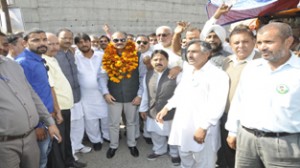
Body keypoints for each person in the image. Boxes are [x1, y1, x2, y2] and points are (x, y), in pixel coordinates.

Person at [226, 22, 300, 168]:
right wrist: (233, 131)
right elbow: (239, 101)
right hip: (246, 140)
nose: (262, 47)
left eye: (269, 42)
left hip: (285, 144)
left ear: (288, 42)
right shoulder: (252, 67)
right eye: (259, 42)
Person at [156, 40, 229, 168]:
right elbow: (180, 93)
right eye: (188, 51)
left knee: (205, 163)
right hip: (183, 125)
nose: (189, 55)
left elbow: (217, 104)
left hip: (202, 128)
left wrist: (204, 127)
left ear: (207, 54)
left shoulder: (218, 75)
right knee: (185, 158)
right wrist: (167, 107)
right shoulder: (189, 70)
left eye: (194, 52)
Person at [218, 24, 260, 168]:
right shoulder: (226, 61)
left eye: (245, 41)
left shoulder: (263, 62)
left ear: (254, 41)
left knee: (249, 158)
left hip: (251, 120)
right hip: (226, 116)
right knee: (228, 152)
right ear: (230, 44)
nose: (240, 46)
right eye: (236, 42)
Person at [99, 31, 147, 159]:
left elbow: (142, 76)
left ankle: (132, 144)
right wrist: (105, 93)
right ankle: (113, 146)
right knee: (113, 123)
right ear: (111, 42)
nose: (119, 42)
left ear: (127, 41)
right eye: (116, 40)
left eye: (122, 40)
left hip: (132, 96)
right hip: (113, 97)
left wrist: (140, 95)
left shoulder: (137, 55)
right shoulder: (107, 56)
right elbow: (102, 76)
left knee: (131, 122)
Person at [15, 29, 58, 168]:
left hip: (46, 118)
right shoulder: (23, 63)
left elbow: (42, 90)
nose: (42, 43)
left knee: (45, 156)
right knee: (39, 161)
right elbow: (24, 98)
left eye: (44, 39)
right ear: (24, 43)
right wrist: (37, 126)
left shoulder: (38, 59)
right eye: (36, 40)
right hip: (37, 123)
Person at [139, 49, 181, 166]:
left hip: (171, 111)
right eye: (155, 59)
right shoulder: (148, 75)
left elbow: (180, 94)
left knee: (172, 133)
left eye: (161, 59)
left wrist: (179, 68)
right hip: (153, 110)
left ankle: (174, 153)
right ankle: (159, 150)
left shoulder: (176, 74)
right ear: (151, 62)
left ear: (167, 61)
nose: (158, 62)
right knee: (156, 133)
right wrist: (143, 109)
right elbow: (145, 93)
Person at [55, 28, 88, 167]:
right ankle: (71, 152)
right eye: (64, 38)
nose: (68, 40)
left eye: (70, 38)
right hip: (64, 100)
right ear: (58, 38)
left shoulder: (71, 52)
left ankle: (78, 145)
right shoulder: (53, 55)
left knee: (79, 124)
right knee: (69, 127)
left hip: (77, 95)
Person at [42, 32, 74, 168]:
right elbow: (51, 88)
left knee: (65, 138)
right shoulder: (43, 61)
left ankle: (69, 162)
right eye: (51, 44)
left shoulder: (52, 58)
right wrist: (57, 110)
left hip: (65, 106)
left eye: (56, 43)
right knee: (58, 142)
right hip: (58, 109)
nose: (55, 47)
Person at [74, 33, 109, 151]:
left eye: (86, 41)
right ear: (77, 45)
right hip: (86, 95)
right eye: (80, 42)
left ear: (90, 42)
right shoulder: (76, 57)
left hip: (103, 92)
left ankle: (107, 136)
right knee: (90, 120)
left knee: (106, 117)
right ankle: (96, 140)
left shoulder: (101, 55)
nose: (83, 44)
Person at [200, 4, 232, 68]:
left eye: (216, 37)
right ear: (204, 39)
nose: (212, 40)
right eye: (209, 37)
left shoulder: (228, 58)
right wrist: (218, 13)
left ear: (221, 39)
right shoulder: (198, 56)